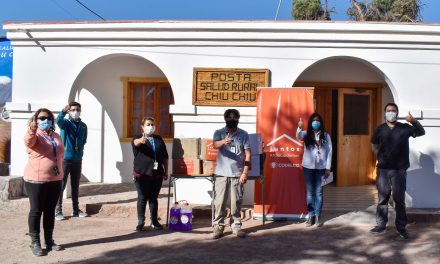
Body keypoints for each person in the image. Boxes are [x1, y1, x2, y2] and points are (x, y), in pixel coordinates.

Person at [370, 103, 425, 239]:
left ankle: (401, 227)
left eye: (393, 111)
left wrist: (414, 121)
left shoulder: (405, 128)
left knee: (399, 199)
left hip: (399, 170)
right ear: (385, 113)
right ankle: (381, 224)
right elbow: (374, 145)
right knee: (383, 198)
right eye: (388, 111)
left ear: (397, 112)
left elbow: (421, 132)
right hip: (383, 170)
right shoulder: (380, 129)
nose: (390, 113)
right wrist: (380, 157)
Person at [24, 108, 64, 256]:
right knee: (36, 210)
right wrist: (31, 129)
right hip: (36, 180)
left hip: (55, 179)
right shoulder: (35, 136)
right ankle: (35, 242)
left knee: (49, 211)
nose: (45, 120)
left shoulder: (56, 136)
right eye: (41, 118)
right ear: (35, 120)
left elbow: (60, 153)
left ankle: (49, 241)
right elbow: (28, 141)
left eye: (48, 118)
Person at [212, 109, 251, 239]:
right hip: (221, 174)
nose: (232, 119)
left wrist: (245, 172)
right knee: (220, 202)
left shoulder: (244, 134)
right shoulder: (219, 132)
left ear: (238, 118)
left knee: (236, 202)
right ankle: (218, 227)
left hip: (237, 174)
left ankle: (236, 226)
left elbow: (248, 154)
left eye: (235, 117)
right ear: (225, 119)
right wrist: (223, 141)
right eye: (229, 117)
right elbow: (214, 145)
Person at [132, 117, 169, 231]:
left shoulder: (158, 139)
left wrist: (166, 170)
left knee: (153, 198)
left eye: (152, 124)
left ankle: (154, 221)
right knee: (142, 198)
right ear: (142, 126)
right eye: (148, 124)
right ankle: (141, 221)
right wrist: (140, 141)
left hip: (157, 174)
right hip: (142, 174)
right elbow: (135, 143)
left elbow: (165, 157)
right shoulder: (138, 137)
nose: (150, 127)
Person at [296, 113, 332, 227]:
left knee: (319, 193)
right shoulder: (306, 134)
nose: (315, 122)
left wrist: (328, 168)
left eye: (317, 121)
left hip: (321, 168)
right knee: (310, 193)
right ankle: (310, 215)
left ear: (320, 123)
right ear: (311, 122)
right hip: (308, 167)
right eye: (313, 120)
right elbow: (298, 135)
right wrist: (300, 127)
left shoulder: (326, 136)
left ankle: (317, 216)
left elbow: (330, 152)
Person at [55, 102, 88, 220]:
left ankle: (76, 210)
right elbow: (58, 120)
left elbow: (84, 140)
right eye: (73, 109)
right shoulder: (65, 124)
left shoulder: (83, 126)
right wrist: (63, 111)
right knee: (61, 184)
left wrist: (79, 150)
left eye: (77, 109)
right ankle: (58, 210)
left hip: (77, 159)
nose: (75, 111)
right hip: (65, 159)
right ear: (69, 111)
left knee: (75, 185)